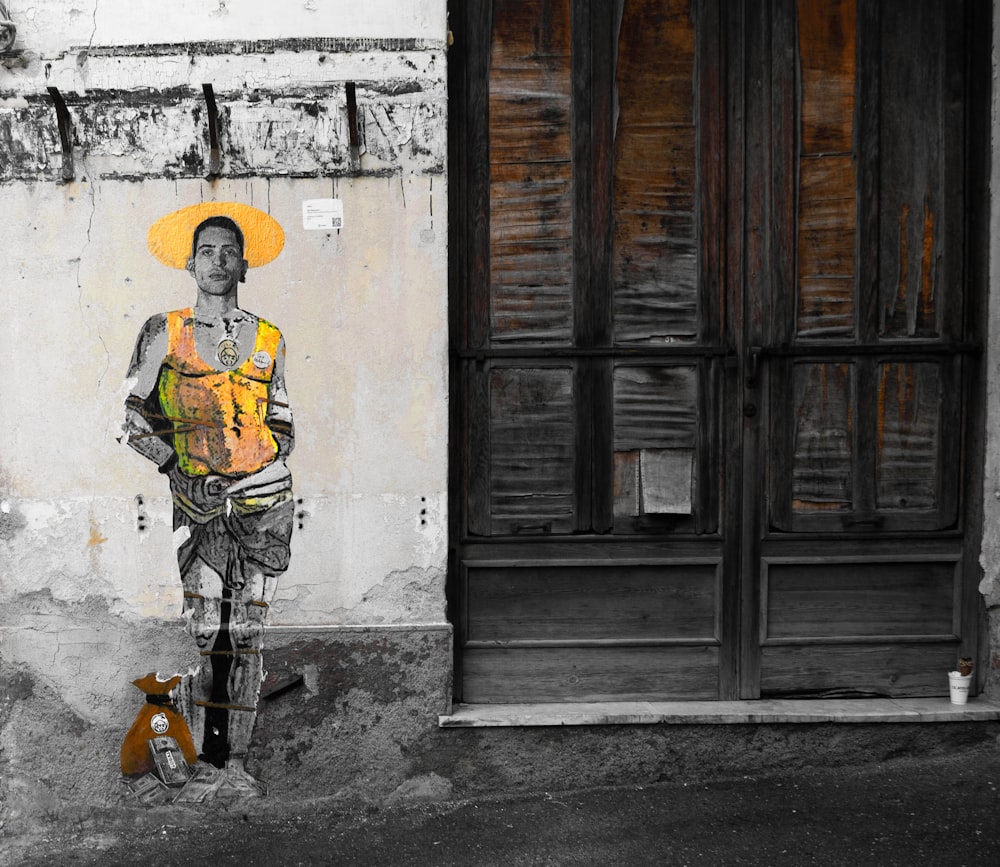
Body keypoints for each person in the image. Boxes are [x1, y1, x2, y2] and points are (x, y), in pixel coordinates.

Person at [123, 207, 293, 795]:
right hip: (198, 506)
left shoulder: (268, 336)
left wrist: (263, 466)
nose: (218, 261)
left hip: (264, 505)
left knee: (248, 633)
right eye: (207, 251)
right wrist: (178, 467)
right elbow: (130, 419)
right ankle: (200, 758)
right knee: (207, 631)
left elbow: (282, 419)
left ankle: (234, 763)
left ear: (244, 263)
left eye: (228, 252)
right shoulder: (163, 331)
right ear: (190, 262)